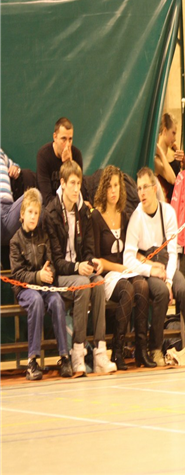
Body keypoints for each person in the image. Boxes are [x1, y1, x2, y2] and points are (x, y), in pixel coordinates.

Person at [123, 167, 185, 366]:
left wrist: (169, 280)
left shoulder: (168, 212)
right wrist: (150, 270)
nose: (142, 192)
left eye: (145, 187)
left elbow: (172, 252)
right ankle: (155, 349)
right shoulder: (136, 218)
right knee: (161, 292)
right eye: (139, 188)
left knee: (184, 290)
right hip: (148, 268)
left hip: (167, 265)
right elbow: (128, 258)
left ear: (154, 188)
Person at [43, 160, 116, 375]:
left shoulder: (84, 211)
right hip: (62, 275)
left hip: (80, 271)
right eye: (72, 183)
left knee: (99, 283)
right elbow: (56, 261)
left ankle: (100, 352)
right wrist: (77, 267)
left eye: (79, 183)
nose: (76, 189)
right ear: (62, 183)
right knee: (84, 284)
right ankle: (77, 352)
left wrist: (91, 262)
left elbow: (89, 249)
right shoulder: (51, 213)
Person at [92, 166, 152, 370]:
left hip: (126, 269)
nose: (113, 191)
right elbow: (97, 259)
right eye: (109, 186)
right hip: (109, 274)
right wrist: (119, 267)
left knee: (142, 286)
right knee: (128, 290)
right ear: (103, 189)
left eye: (116, 186)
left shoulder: (125, 216)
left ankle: (141, 349)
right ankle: (117, 350)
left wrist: (147, 263)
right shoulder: (96, 217)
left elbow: (132, 250)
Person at [9, 188, 72, 380]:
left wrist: (49, 272)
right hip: (25, 289)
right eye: (30, 212)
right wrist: (38, 276)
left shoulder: (43, 236)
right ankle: (32, 361)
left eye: (36, 213)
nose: (33, 216)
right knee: (36, 301)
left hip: (45, 286)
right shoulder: (15, 242)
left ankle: (64, 357)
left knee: (57, 301)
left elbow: (51, 262)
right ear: (22, 214)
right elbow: (17, 274)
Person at [36, 117, 86, 205]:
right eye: (64, 139)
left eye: (70, 139)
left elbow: (78, 192)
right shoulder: (43, 155)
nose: (67, 144)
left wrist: (69, 165)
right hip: (50, 206)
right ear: (55, 137)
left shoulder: (76, 155)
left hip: (71, 204)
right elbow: (47, 198)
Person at [155, 113, 185, 202]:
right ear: (165, 131)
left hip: (181, 202)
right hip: (168, 205)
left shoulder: (174, 153)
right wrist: (161, 154)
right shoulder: (156, 159)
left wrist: (184, 160)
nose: (175, 139)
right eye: (173, 133)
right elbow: (173, 180)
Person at [0, 148, 23, 245]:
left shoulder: (1, 153)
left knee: (34, 196)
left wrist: (15, 168)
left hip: (10, 210)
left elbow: (14, 165)